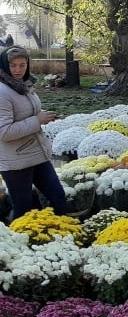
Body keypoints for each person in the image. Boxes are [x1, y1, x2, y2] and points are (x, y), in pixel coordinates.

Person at [0, 46, 66, 220]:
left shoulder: (24, 85)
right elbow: (4, 132)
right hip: (16, 162)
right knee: (23, 209)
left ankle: (64, 236)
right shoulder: (2, 91)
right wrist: (37, 121)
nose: (18, 70)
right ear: (4, 66)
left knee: (58, 197)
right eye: (13, 65)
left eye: (22, 65)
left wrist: (44, 115)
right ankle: (18, 243)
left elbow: (26, 112)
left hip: (37, 154)